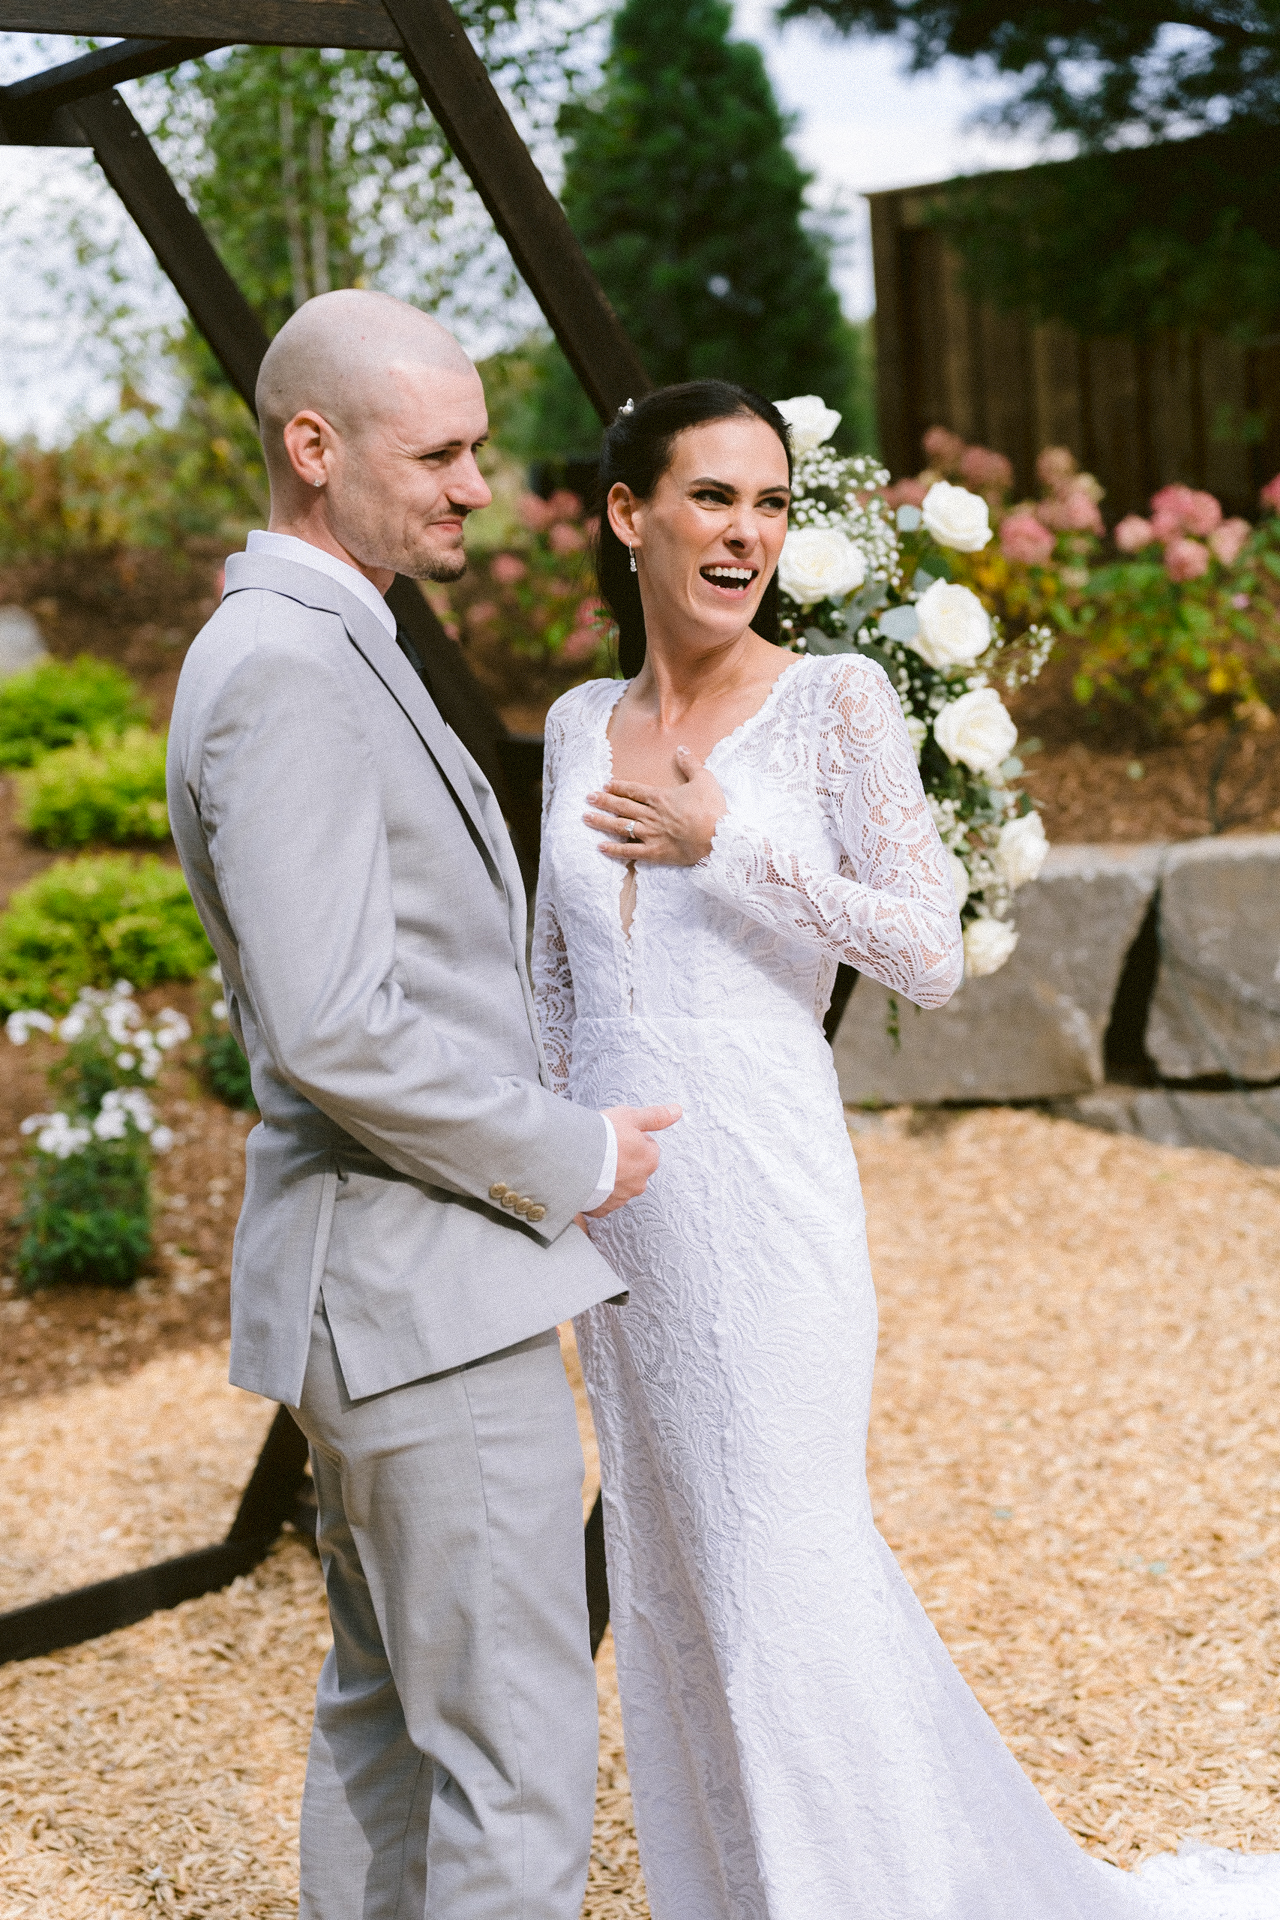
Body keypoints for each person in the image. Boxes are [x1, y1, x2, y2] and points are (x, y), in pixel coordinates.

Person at [531, 379, 1280, 1918]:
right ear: (628, 517)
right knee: (673, 1595)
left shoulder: (839, 705)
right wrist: (541, 1169)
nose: (747, 530)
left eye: (771, 503)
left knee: (783, 1580)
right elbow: (557, 975)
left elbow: (928, 950)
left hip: (764, 1202)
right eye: (713, 497)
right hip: (619, 1229)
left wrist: (725, 840)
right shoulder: (572, 725)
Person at [166, 288, 680, 1920]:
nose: (477, 484)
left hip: (382, 1296)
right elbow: (332, 1028)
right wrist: (573, 1151)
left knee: (389, 1724)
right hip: (421, 1299)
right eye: (441, 451)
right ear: (314, 449)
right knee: (516, 1763)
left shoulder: (307, 639)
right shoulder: (288, 670)